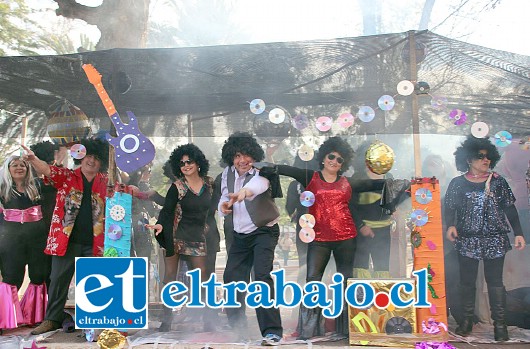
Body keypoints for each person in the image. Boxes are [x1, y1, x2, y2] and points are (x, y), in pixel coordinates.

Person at [258, 136, 388, 340]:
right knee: (312, 281)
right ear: (323, 157)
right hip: (319, 240)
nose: (334, 161)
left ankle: (346, 330)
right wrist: (266, 166)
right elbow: (284, 169)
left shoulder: (348, 182)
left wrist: (405, 184)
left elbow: (374, 184)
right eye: (331, 156)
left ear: (343, 164)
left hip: (346, 238)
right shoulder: (310, 177)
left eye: (339, 160)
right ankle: (308, 331)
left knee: (345, 281)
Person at [24, 138, 142, 335]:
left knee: (97, 281)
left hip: (97, 242)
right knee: (58, 279)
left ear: (102, 161)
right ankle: (52, 319)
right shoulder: (67, 176)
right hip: (66, 240)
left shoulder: (108, 182)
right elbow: (47, 170)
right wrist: (33, 159)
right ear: (81, 155)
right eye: (89, 156)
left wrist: (135, 191)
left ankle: (97, 321)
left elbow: (125, 193)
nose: (92, 161)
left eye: (97, 158)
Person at [445, 135, 526, 342]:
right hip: (467, 239)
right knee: (467, 282)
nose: (485, 160)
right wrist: (451, 225)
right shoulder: (457, 183)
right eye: (480, 157)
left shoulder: (498, 182)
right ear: (468, 159)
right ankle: (465, 322)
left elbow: (510, 208)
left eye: (488, 157)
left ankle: (500, 326)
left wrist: (518, 233)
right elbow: (450, 207)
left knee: (495, 283)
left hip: (495, 239)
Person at [218, 132, 283, 346]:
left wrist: (243, 193)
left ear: (253, 156)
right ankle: (238, 329)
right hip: (240, 235)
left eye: (246, 155)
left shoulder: (263, 171)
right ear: (231, 158)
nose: (242, 160)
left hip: (264, 231)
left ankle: (272, 332)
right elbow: (223, 197)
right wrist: (224, 207)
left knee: (261, 278)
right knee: (231, 278)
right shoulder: (227, 173)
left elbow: (259, 186)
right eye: (237, 156)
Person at [148, 143, 216, 332]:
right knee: (170, 277)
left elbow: (214, 207)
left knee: (203, 278)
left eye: (189, 161)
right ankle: (166, 320)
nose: (186, 165)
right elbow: (168, 211)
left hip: (197, 237)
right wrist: (161, 225)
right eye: (182, 163)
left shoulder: (210, 184)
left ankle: (208, 320)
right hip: (176, 236)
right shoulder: (177, 187)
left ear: (198, 163)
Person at [0, 155, 51, 331]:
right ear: (8, 169)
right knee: (12, 277)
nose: (19, 168)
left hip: (37, 238)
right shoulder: (2, 190)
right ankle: (4, 319)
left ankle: (35, 316)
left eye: (23, 165)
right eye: (15, 165)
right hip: (12, 240)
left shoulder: (37, 187)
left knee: (39, 274)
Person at [285, 155, 319, 285]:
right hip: (321, 226)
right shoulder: (321, 182)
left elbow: (289, 208)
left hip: (303, 226)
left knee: (303, 263)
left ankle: (303, 295)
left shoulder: (295, 185)